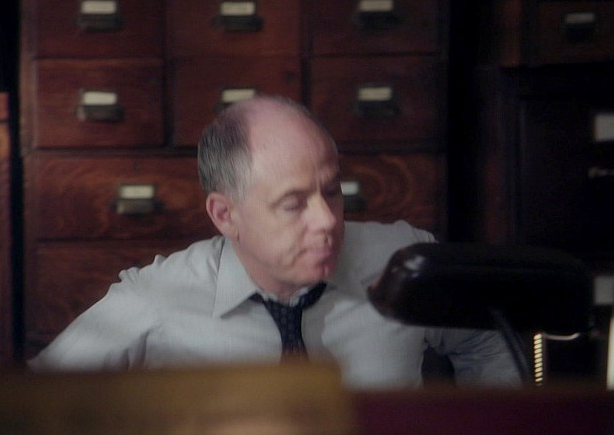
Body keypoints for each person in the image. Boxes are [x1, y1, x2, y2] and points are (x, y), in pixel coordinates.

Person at [29, 95, 521, 389]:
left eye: (333, 191)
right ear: (226, 215)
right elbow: (31, 401)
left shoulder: (401, 263)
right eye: (293, 203)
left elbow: (487, 339)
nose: (327, 220)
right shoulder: (155, 298)